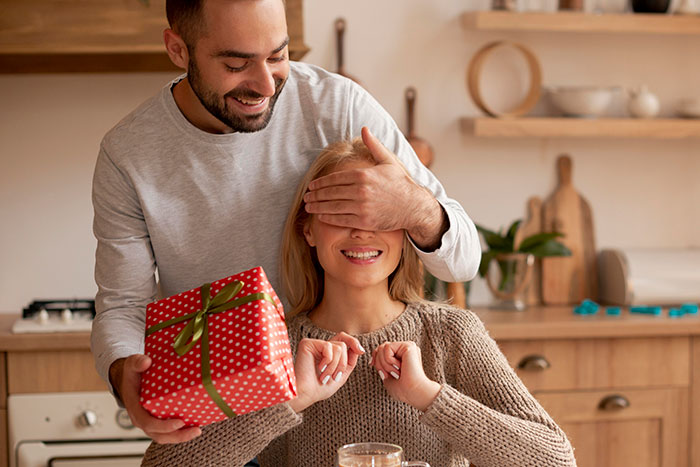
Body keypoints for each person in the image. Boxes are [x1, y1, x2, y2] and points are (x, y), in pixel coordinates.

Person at [91, 0, 481, 448]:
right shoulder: (128, 154)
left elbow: (464, 259)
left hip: (329, 399)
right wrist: (125, 376)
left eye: (278, 56)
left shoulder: (337, 106)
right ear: (177, 49)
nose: (264, 84)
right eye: (236, 64)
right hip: (221, 421)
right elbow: (122, 306)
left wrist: (415, 206)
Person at [139, 138, 577, 466]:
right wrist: (292, 399)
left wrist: (428, 396)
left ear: (405, 230)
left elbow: (556, 458)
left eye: (380, 216)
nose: (362, 232)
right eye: (340, 215)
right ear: (308, 231)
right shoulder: (272, 344)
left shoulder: (451, 334)